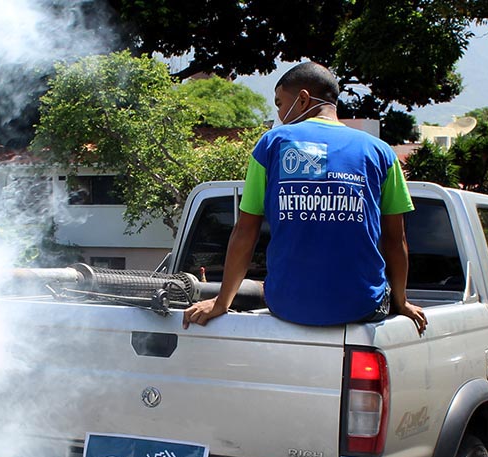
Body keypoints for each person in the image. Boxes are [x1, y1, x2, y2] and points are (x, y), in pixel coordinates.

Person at [182, 62, 428, 335]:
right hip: (362, 306)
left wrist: (221, 302)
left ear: (302, 99)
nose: (279, 114)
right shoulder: (382, 153)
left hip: (287, 305)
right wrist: (402, 302)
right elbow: (396, 239)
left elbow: (245, 231)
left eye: (279, 103)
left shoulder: (271, 144)